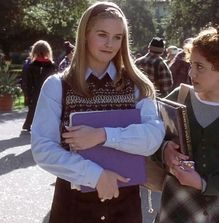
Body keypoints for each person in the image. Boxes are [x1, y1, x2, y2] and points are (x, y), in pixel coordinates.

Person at [31, 2, 165, 223]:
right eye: (102, 34)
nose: (110, 43)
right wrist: (96, 176)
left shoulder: (137, 86)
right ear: (85, 34)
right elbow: (43, 148)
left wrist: (103, 135)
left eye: (117, 37)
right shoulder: (58, 85)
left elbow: (153, 137)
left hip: (126, 204)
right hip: (74, 205)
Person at [155, 26, 219, 223]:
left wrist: (202, 183)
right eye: (191, 65)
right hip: (174, 208)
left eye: (200, 67)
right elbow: (148, 136)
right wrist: (163, 149)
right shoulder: (179, 97)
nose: (191, 73)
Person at [22, 40, 57, 131]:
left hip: (34, 91)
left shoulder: (31, 66)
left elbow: (28, 82)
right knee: (48, 110)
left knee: (33, 109)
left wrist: (27, 94)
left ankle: (28, 124)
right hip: (48, 91)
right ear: (47, 51)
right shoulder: (51, 66)